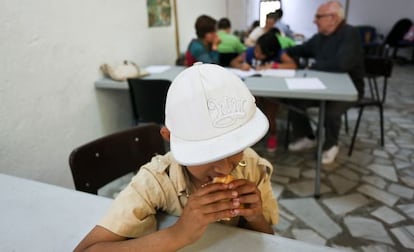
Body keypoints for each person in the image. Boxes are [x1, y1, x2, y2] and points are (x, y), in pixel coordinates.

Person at [74, 63, 279, 252]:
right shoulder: (157, 180)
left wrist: (255, 217)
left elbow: (270, 239)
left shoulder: (252, 168)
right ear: (169, 137)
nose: (225, 169)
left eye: (236, 149)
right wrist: (178, 234)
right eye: (207, 154)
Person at [285, 0, 364, 164]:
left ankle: (330, 145)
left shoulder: (350, 34)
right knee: (293, 100)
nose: (314, 21)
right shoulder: (320, 37)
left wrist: (309, 65)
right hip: (319, 85)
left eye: (318, 17)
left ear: (333, 18)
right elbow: (302, 49)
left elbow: (342, 64)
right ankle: (307, 136)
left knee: (331, 111)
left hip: (349, 88)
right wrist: (283, 52)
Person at [232, 29, 297, 152]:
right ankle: (250, 135)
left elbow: (292, 65)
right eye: (256, 49)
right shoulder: (250, 52)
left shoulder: (279, 54)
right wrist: (241, 65)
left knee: (270, 114)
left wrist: (274, 66)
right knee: (248, 111)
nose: (256, 54)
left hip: (272, 90)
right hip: (252, 89)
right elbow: (234, 62)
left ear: (270, 52)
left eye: (260, 53)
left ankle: (273, 134)